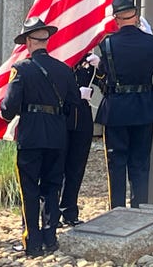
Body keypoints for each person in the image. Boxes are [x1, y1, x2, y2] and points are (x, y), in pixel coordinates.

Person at [0, 18, 80, 258]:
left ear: (27, 42)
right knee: (52, 187)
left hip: (31, 135)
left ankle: (31, 241)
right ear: (46, 41)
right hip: (56, 136)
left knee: (29, 188)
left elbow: (9, 107)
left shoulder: (22, 69)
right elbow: (74, 102)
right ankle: (50, 237)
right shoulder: (64, 69)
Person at [95, 0, 153, 209]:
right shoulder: (151, 42)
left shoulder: (107, 44)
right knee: (140, 163)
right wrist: (149, 35)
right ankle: (140, 208)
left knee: (116, 163)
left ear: (116, 19)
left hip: (116, 109)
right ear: (137, 17)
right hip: (143, 108)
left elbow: (103, 72)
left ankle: (116, 209)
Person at [58, 54, 95, 227]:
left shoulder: (88, 61)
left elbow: (104, 82)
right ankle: (51, 211)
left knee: (76, 167)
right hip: (62, 116)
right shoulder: (60, 55)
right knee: (56, 167)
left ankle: (69, 210)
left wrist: (100, 65)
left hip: (82, 118)